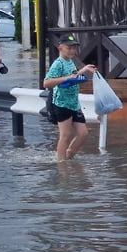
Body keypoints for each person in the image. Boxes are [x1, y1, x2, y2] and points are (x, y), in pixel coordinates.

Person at [44, 34, 98, 162]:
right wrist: (66, 78)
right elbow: (46, 83)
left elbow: (72, 75)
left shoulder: (70, 61)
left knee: (83, 133)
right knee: (66, 135)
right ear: (60, 48)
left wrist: (83, 70)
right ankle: (61, 164)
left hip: (74, 103)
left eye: (74, 48)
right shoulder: (58, 64)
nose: (72, 50)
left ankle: (69, 156)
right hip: (61, 103)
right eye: (69, 48)